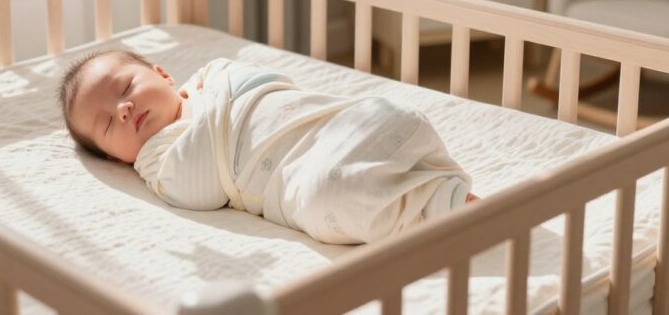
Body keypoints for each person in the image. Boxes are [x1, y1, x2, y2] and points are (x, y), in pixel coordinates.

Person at [58, 50, 473, 244]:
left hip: (331, 124)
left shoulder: (215, 72)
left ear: (164, 74)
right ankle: (442, 200)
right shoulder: (160, 163)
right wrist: (217, 109)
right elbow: (202, 187)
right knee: (334, 197)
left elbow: (265, 82)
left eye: (126, 87)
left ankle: (427, 173)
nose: (126, 108)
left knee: (385, 119)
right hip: (302, 175)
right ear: (116, 157)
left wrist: (214, 104)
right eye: (109, 122)